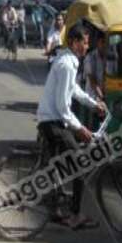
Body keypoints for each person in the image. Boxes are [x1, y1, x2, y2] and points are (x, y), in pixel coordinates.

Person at [36, 25, 106, 230]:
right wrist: (81, 128)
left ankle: (55, 204)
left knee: (63, 163)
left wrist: (94, 104)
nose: (87, 46)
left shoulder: (68, 60)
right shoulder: (67, 64)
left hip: (53, 119)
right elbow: (62, 106)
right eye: (84, 42)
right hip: (53, 121)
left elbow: (73, 90)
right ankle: (75, 214)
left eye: (87, 42)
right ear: (74, 43)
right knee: (81, 163)